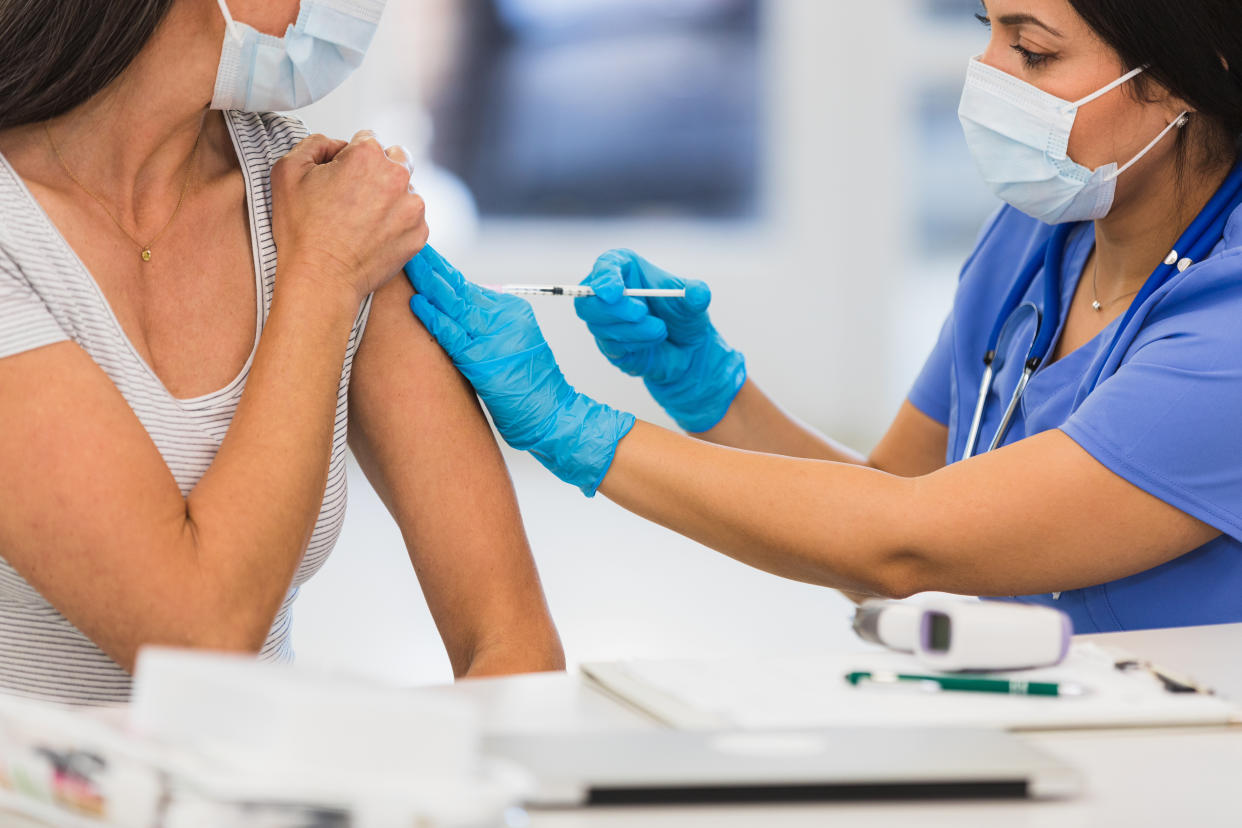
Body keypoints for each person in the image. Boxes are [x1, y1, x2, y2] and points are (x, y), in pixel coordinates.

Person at [406, 0, 1242, 634]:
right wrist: (714, 395)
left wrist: (577, 428)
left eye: (1031, 50)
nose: (986, 75)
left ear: (1184, 74)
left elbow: (906, 546)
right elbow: (884, 504)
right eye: (986, 29)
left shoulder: (1228, 322)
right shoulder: (1037, 238)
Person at [0, 0, 562, 705]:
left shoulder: (320, 193)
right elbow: (196, 637)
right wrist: (321, 276)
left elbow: (514, 645)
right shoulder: (331, 237)